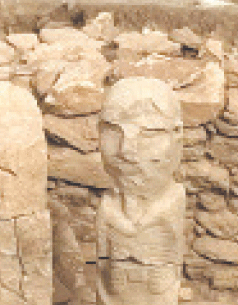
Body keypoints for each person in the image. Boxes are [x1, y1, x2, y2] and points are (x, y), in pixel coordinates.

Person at [95, 77, 185, 305]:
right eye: (113, 130)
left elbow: (172, 244)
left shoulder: (173, 200)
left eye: (149, 133)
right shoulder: (109, 204)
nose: (127, 150)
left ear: (177, 138)